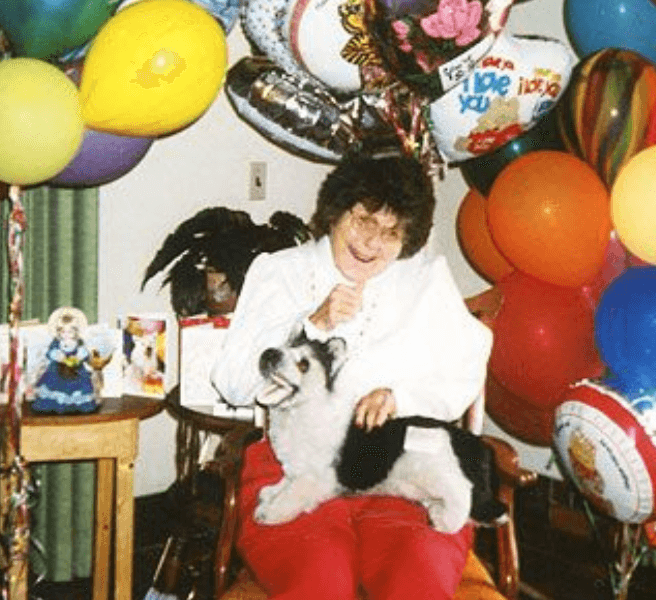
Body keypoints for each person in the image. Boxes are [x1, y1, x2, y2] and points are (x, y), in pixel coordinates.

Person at [211, 154, 493, 600]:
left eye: (392, 232)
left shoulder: (424, 280)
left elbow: (466, 362)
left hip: (402, 471)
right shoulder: (281, 270)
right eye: (362, 219)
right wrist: (310, 326)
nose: (371, 242)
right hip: (296, 471)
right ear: (335, 212)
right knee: (320, 582)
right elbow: (231, 381)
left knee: (417, 579)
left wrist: (402, 397)